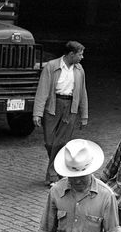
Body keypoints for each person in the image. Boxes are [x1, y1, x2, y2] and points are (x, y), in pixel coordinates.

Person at [33, 41, 89, 185]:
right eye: (80, 54)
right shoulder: (51, 66)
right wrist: (37, 113)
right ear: (71, 54)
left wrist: (84, 116)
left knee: (62, 142)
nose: (82, 57)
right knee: (50, 142)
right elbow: (42, 90)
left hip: (70, 107)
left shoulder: (79, 70)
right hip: (53, 105)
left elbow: (82, 93)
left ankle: (52, 176)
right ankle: (57, 171)